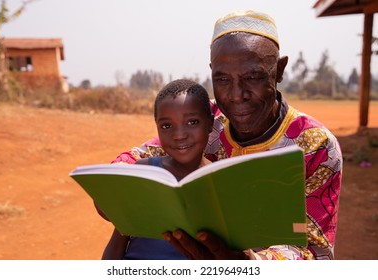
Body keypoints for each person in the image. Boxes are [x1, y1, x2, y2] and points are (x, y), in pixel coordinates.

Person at [105, 10, 343, 260]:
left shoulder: (315, 145)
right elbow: (140, 157)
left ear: (279, 70)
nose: (236, 94)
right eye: (222, 79)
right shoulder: (203, 119)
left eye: (252, 76)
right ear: (211, 73)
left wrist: (249, 262)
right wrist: (112, 193)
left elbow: (314, 251)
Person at [100, 79, 214, 259]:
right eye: (167, 126)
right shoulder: (144, 172)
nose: (179, 135)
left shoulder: (220, 179)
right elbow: (118, 240)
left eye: (192, 122)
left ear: (210, 123)